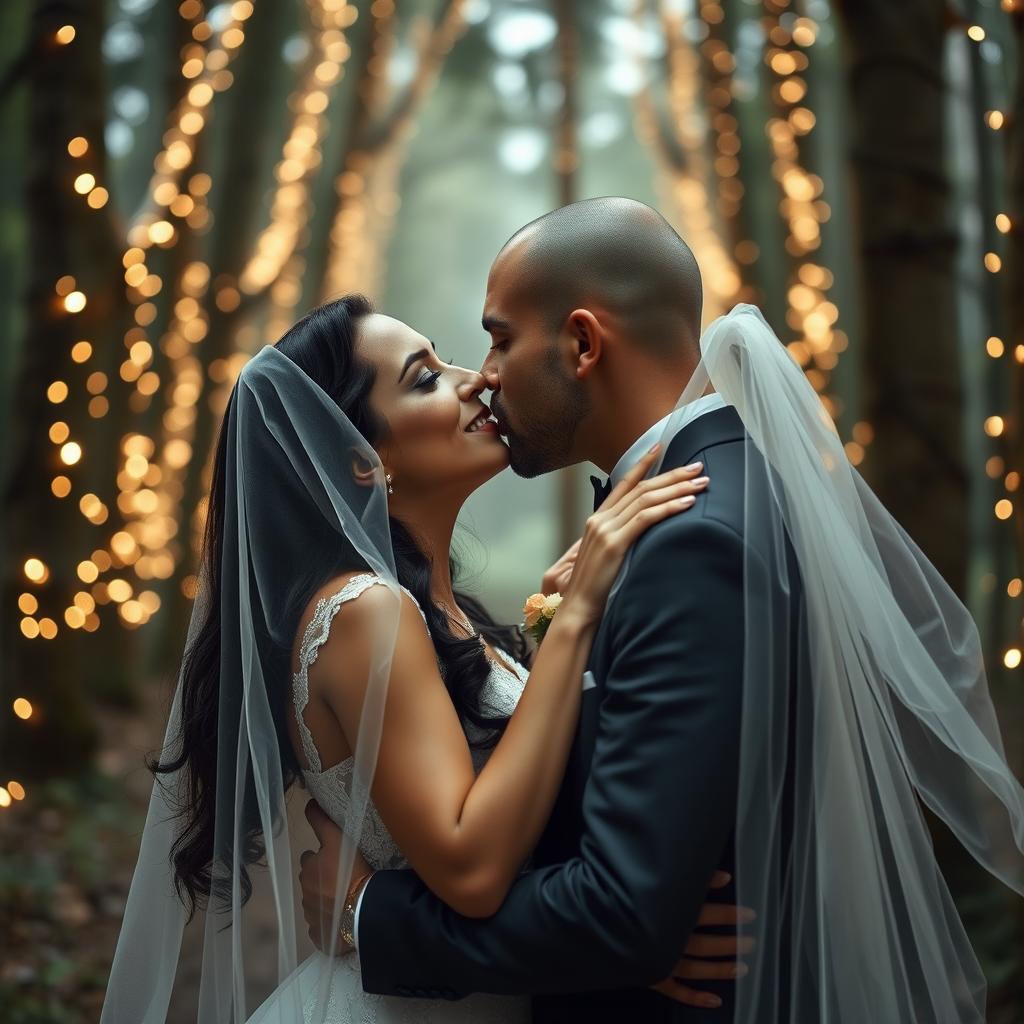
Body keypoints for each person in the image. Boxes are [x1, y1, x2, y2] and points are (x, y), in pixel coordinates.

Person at [300, 198, 1024, 1024]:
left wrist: (369, 916)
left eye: (500, 338)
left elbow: (623, 915)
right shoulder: (692, 511)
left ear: (581, 343)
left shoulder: (693, 543)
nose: (485, 374)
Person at [101, 289, 747, 1024]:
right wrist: (577, 623)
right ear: (364, 463)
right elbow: (470, 868)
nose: (475, 379)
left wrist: (626, 941)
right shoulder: (363, 613)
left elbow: (529, 798)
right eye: (424, 377)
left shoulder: (434, 614)